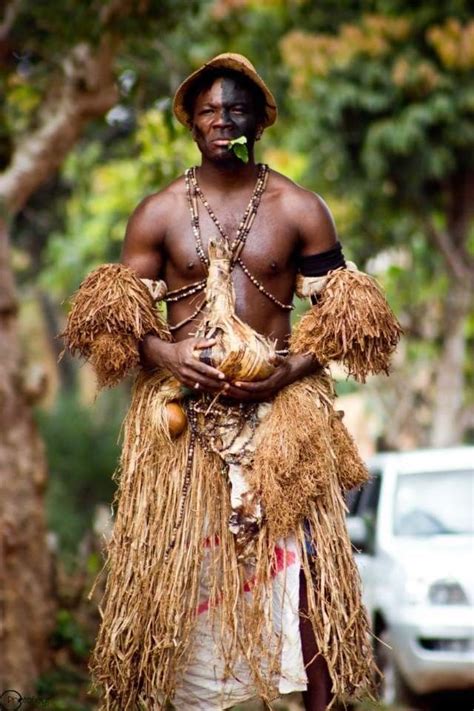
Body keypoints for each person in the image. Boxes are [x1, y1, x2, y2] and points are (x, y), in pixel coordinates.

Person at [63, 54, 401, 711]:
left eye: (237, 111)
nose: (224, 121)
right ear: (190, 121)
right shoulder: (157, 213)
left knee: (307, 581)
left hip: (284, 423)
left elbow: (347, 319)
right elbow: (115, 323)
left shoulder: (299, 207)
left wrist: (286, 370)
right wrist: (168, 352)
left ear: (259, 122)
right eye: (211, 111)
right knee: (173, 578)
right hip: (183, 423)